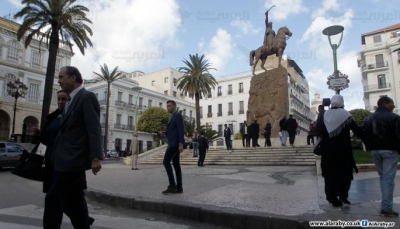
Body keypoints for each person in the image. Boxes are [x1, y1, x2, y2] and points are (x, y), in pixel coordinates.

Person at [44, 66, 102, 229]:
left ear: (73, 78)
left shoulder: (86, 96)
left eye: (62, 77)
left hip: (72, 160)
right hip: (62, 160)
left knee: (53, 198)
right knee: (74, 202)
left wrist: (96, 157)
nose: (59, 80)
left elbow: (94, 128)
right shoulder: (69, 101)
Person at [316, 94, 363, 208]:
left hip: (328, 151)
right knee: (345, 173)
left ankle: (332, 198)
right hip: (343, 150)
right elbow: (356, 130)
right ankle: (343, 194)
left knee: (330, 175)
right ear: (342, 102)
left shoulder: (324, 115)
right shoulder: (346, 114)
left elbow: (319, 130)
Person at [363, 96, 400, 217]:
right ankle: (386, 208)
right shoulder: (394, 117)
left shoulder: (369, 118)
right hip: (389, 150)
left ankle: (386, 206)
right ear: (386, 104)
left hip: (375, 151)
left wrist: (369, 146)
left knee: (383, 177)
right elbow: (398, 135)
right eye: (392, 103)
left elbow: (364, 134)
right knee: (388, 179)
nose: (394, 105)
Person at [162, 100, 184, 194]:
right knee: (176, 165)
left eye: (170, 106)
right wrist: (164, 133)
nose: (168, 107)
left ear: (175, 106)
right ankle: (179, 187)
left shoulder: (177, 115)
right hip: (172, 142)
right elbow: (172, 131)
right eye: (167, 106)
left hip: (174, 144)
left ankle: (172, 185)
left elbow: (181, 130)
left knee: (166, 162)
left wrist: (181, 143)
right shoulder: (171, 117)